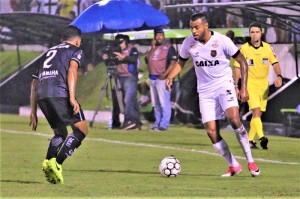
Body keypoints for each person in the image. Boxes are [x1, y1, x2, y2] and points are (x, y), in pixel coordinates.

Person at [166, 13, 260, 177]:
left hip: (224, 85)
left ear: (205, 26)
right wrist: (170, 76)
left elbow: (242, 61)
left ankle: (250, 161)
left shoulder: (222, 41)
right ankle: (234, 165)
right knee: (211, 131)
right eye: (191, 28)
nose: (193, 31)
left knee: (235, 119)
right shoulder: (189, 43)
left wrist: (243, 87)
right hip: (205, 92)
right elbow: (181, 62)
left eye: (196, 27)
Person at [29, 25, 88, 184]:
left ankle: (49, 161)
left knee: (60, 133)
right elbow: (72, 71)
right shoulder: (76, 50)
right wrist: (72, 97)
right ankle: (57, 162)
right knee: (81, 130)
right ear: (77, 40)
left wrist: (33, 110)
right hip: (60, 94)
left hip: (42, 96)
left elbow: (34, 83)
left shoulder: (47, 53)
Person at [233, 22, 283, 150]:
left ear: (261, 33)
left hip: (263, 84)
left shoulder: (268, 48)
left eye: (257, 32)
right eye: (252, 32)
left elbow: (275, 63)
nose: (255, 34)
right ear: (249, 34)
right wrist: (236, 85)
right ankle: (262, 138)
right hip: (250, 83)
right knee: (255, 111)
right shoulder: (243, 49)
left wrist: (279, 76)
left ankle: (249, 140)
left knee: (258, 114)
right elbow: (237, 68)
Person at [102, 34, 142, 130]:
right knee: (123, 100)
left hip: (130, 76)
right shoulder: (115, 50)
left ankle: (130, 120)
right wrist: (106, 57)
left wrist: (123, 57)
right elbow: (107, 58)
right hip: (119, 76)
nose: (120, 45)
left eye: (121, 43)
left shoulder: (132, 49)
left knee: (129, 99)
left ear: (126, 42)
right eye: (118, 43)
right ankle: (134, 121)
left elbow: (133, 59)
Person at [145, 28, 177, 131]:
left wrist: (165, 75)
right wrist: (152, 48)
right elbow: (147, 60)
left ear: (164, 36)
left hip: (162, 79)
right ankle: (157, 123)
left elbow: (173, 63)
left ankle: (164, 124)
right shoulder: (154, 48)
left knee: (164, 103)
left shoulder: (169, 48)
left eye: (160, 35)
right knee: (156, 104)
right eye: (156, 35)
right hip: (152, 78)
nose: (158, 37)